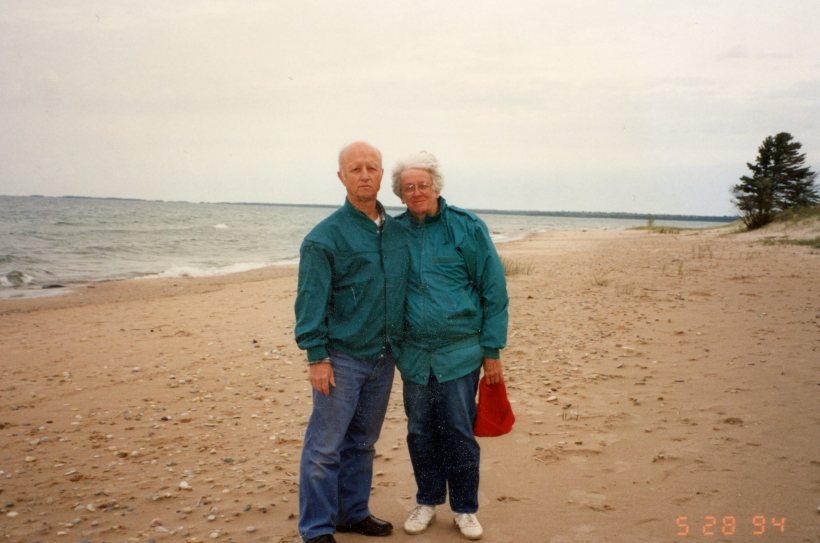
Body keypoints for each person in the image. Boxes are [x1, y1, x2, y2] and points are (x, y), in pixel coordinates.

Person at [294, 141, 408, 543]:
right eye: (355, 169)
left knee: (362, 442)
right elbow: (310, 303)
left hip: (384, 356)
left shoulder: (398, 232)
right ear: (341, 177)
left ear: (382, 176)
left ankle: (353, 513)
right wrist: (316, 356)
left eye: (372, 168)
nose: (364, 175)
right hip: (340, 358)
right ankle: (317, 528)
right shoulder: (324, 238)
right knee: (325, 447)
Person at [391, 151, 509, 540]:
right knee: (419, 430)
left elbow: (493, 291)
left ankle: (464, 508)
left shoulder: (467, 227)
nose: (416, 192)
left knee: (458, 430)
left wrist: (492, 351)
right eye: (408, 188)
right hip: (412, 355)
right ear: (400, 194)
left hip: (459, 352)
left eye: (422, 185)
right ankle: (426, 500)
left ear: (436, 187)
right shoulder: (393, 233)